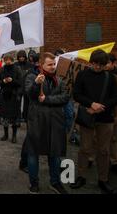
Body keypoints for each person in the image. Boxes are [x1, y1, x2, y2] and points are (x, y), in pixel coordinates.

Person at [71, 49, 117, 194]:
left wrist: (100, 107)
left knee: (104, 151)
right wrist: (91, 104)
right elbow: (77, 94)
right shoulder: (82, 75)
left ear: (105, 64)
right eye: (95, 63)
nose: (97, 67)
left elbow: (115, 98)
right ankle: (81, 176)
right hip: (87, 115)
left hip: (105, 118)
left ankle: (103, 179)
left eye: (101, 64)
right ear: (90, 62)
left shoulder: (110, 77)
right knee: (85, 148)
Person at [24, 52, 70, 194]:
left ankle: (55, 182)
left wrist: (48, 100)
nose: (52, 67)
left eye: (54, 64)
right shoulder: (32, 77)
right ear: (41, 65)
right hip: (37, 121)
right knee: (33, 154)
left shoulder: (59, 80)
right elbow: (30, 94)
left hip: (55, 122)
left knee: (55, 154)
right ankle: (34, 182)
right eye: (49, 64)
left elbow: (65, 97)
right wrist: (37, 84)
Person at [18, 52, 40, 173]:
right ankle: (24, 161)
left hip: (44, 113)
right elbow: (28, 92)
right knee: (30, 137)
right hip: (31, 111)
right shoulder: (31, 74)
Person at [104, 54, 117, 176]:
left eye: (107, 63)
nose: (105, 65)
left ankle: (115, 161)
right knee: (97, 137)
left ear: (114, 63)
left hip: (116, 110)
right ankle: (93, 158)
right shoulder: (101, 75)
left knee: (114, 137)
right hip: (102, 110)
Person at [0, 53, 22, 143]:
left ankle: (14, 136)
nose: (7, 61)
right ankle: (5, 134)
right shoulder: (2, 69)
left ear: (12, 60)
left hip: (14, 95)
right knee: (4, 115)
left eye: (9, 60)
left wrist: (12, 80)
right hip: (4, 95)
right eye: (6, 60)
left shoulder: (17, 69)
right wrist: (3, 81)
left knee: (14, 116)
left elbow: (20, 82)